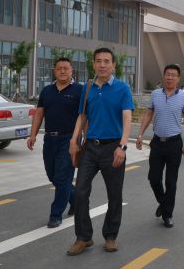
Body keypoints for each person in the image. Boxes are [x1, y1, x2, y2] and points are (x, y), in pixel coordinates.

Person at [67, 47, 134, 256]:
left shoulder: (122, 88)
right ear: (93, 64)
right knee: (80, 192)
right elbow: (82, 116)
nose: (102, 65)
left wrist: (122, 146)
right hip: (90, 147)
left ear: (113, 65)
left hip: (113, 148)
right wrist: (73, 140)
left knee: (114, 194)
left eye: (106, 61)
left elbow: (127, 118)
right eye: (98, 61)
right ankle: (83, 237)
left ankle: (111, 236)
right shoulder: (88, 88)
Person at [27, 57, 82, 228]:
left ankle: (55, 214)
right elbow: (39, 113)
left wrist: (81, 139)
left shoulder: (79, 90)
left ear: (72, 70)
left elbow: (84, 116)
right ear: (54, 71)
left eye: (66, 68)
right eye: (59, 68)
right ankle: (75, 199)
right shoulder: (47, 91)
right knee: (53, 176)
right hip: (50, 139)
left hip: (69, 139)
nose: (63, 71)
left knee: (62, 178)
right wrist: (33, 135)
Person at [136, 63, 184, 228]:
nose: (170, 77)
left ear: (178, 78)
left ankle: (167, 214)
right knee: (153, 178)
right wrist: (140, 134)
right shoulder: (155, 94)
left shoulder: (183, 96)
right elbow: (148, 114)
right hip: (157, 143)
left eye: (173, 75)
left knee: (171, 182)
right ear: (163, 76)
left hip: (174, 144)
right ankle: (164, 202)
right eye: (167, 74)